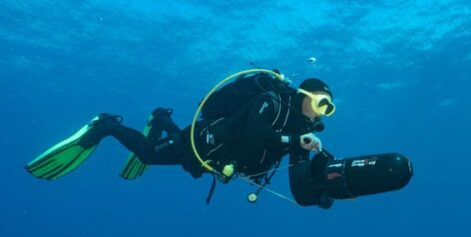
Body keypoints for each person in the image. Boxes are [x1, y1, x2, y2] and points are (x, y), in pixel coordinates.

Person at [25, 73, 335, 186]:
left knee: (171, 146)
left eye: (329, 108)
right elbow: (253, 134)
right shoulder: (271, 102)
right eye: (322, 103)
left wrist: (328, 181)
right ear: (305, 96)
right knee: (148, 154)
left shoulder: (298, 129)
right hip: (201, 141)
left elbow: (297, 174)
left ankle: (161, 119)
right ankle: (107, 125)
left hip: (214, 158)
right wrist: (298, 139)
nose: (324, 112)